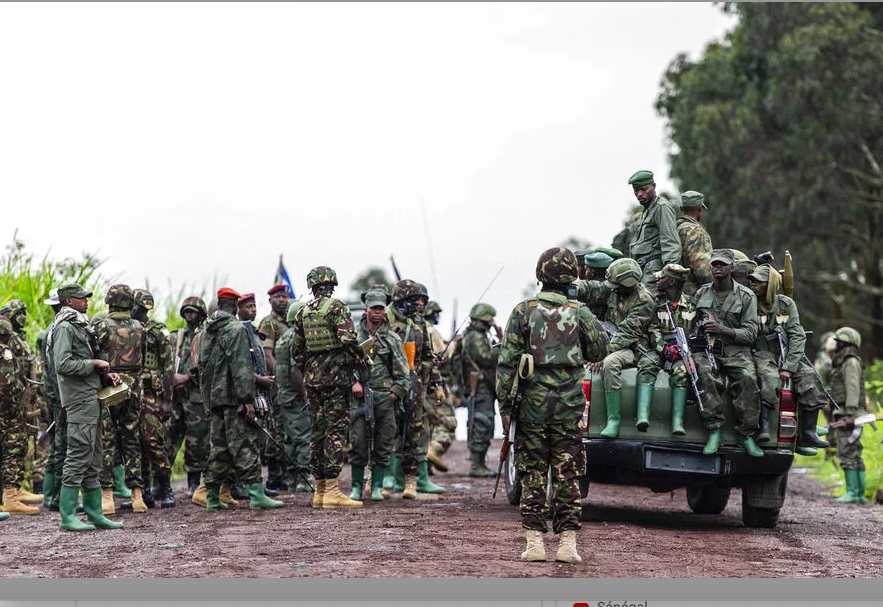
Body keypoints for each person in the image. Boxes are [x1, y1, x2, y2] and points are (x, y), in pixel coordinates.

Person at [497, 247, 607, 563]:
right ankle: (568, 544)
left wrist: (505, 408)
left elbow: (506, 364)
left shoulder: (523, 312)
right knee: (567, 473)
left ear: (540, 275)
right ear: (572, 276)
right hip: (569, 407)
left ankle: (534, 543)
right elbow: (599, 351)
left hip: (530, 407)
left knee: (532, 472)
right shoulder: (581, 313)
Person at [48, 283, 124, 531]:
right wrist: (93, 364)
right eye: (81, 298)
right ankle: (68, 516)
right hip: (78, 400)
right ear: (69, 301)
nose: (87, 301)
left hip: (91, 397)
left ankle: (94, 513)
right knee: (78, 454)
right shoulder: (64, 327)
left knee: (93, 457)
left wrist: (105, 375)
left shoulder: (80, 325)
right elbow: (62, 364)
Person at [199, 287, 283, 511]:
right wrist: (247, 400)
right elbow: (241, 367)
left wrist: (207, 401)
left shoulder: (208, 330)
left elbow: (202, 368)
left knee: (219, 448)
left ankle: (212, 499)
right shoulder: (236, 329)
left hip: (215, 398)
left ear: (218, 304)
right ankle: (257, 495)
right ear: (235, 305)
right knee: (245, 444)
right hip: (233, 397)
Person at [290, 267, 367, 509]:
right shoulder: (337, 307)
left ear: (312, 286)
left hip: (312, 379)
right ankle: (333, 491)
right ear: (332, 285)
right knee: (335, 431)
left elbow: (296, 351)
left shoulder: (302, 312)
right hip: (335, 378)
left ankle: (320, 491)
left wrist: (313, 364)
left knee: (318, 432)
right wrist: (361, 358)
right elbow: (348, 339)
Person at [747, 265, 829, 455]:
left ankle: (808, 432)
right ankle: (765, 428)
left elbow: (797, 335)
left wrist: (789, 366)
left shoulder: (785, 304)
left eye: (759, 281)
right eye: (752, 281)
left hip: (783, 353)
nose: (753, 284)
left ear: (771, 285)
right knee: (769, 378)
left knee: (810, 377)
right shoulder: (748, 303)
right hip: (761, 353)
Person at [692, 249, 763, 457]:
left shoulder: (746, 296)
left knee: (747, 377)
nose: (718, 268)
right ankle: (715, 430)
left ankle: (747, 434)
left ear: (731, 268)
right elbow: (692, 323)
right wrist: (699, 330)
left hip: (735, 350)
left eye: (722, 264)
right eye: (714, 264)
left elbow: (750, 333)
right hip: (707, 348)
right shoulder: (702, 293)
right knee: (703, 372)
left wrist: (722, 329)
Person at [577, 257, 656, 436]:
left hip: (634, 347)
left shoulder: (644, 301)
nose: (612, 288)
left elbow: (628, 332)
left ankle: (613, 420)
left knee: (610, 363)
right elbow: (595, 289)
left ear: (627, 285)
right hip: (611, 339)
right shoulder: (616, 289)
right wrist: (573, 287)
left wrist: (602, 353)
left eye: (616, 286)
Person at [383, 279, 445, 498]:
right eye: (415, 300)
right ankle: (383, 478)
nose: (420, 304)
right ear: (401, 300)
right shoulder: (384, 319)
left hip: (414, 384)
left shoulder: (418, 322)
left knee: (413, 430)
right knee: (387, 430)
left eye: (421, 300)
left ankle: (411, 480)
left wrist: (437, 384)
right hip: (388, 384)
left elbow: (428, 355)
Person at [92, 284, 148, 514]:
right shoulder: (140, 327)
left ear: (110, 301)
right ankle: (137, 496)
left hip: (109, 386)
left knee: (106, 439)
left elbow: (95, 355)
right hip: (133, 387)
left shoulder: (101, 326)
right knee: (132, 438)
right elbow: (143, 358)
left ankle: (107, 497)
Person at [352, 286, 409, 501]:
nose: (377, 312)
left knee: (384, 444)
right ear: (365, 309)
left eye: (381, 309)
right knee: (358, 443)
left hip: (385, 398)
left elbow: (403, 374)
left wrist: (393, 395)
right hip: (359, 399)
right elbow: (342, 366)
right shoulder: (353, 337)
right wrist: (353, 384)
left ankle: (377, 486)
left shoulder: (392, 339)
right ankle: (356, 487)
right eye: (373, 308)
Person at [131, 289, 175, 508]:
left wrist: (167, 399)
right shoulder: (126, 329)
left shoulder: (157, 330)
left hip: (151, 394)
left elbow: (168, 366)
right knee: (134, 443)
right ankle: (143, 491)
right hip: (131, 392)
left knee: (152, 440)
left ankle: (165, 487)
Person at [0, 300, 45, 508]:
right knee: (13, 445)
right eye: (19, 313)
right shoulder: (6, 346)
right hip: (10, 401)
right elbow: (7, 378)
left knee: (20, 444)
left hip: (20, 397)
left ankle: (16, 489)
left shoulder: (20, 339)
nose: (23, 317)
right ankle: (10, 495)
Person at [166, 296, 210, 499]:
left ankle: (194, 483)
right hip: (176, 398)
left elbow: (208, 366)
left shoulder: (206, 337)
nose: (190, 315)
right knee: (168, 439)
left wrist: (187, 378)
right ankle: (162, 483)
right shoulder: (177, 337)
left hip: (196, 397)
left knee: (197, 442)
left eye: (194, 311)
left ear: (202, 314)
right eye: (187, 312)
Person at [645, 263, 696, 435]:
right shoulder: (654, 302)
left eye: (662, 277)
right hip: (657, 351)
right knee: (647, 365)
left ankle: (677, 422)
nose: (657, 279)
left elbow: (696, 332)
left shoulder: (692, 305)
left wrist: (684, 351)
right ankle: (643, 417)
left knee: (683, 371)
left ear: (672, 282)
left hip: (682, 354)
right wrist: (664, 349)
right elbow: (652, 329)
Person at [238, 292, 278, 496]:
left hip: (260, 394)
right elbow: (239, 366)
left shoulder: (254, 334)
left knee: (260, 441)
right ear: (238, 310)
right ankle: (242, 485)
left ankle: (254, 484)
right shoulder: (239, 333)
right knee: (247, 442)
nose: (253, 310)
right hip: (247, 394)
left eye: (254, 306)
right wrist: (260, 379)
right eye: (248, 306)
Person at [274, 300, 312, 493]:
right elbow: (295, 370)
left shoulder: (283, 337)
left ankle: (292, 478)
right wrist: (304, 395)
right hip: (295, 395)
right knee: (304, 436)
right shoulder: (296, 339)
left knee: (290, 438)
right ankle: (304, 479)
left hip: (284, 394)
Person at [460, 303, 501, 477]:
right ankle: (477, 465)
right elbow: (485, 358)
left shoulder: (479, 336)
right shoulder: (475, 337)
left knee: (485, 423)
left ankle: (480, 463)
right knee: (481, 423)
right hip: (479, 388)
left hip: (484, 388)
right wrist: (502, 346)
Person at [829, 327, 868, 504]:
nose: (835, 345)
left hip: (849, 413)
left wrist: (850, 413)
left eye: (838, 342)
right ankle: (859, 494)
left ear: (846, 344)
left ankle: (853, 493)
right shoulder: (847, 362)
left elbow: (852, 387)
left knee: (847, 452)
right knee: (854, 452)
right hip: (849, 412)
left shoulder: (850, 362)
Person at [258, 284, 291, 492]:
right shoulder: (268, 323)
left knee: (287, 428)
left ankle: (286, 473)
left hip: (291, 384)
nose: (281, 300)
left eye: (284, 297)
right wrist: (279, 378)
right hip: (276, 384)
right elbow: (267, 354)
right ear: (270, 300)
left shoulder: (291, 322)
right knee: (275, 428)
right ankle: (274, 475)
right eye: (277, 297)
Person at [626, 170, 680, 287]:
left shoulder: (661, 207)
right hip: (642, 270)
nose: (639, 194)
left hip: (653, 272)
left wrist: (670, 273)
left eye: (644, 189)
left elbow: (670, 241)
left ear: (653, 186)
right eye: (636, 190)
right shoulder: (646, 211)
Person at [40, 289, 68, 510]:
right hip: (60, 397)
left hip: (55, 396)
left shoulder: (52, 330)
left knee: (59, 444)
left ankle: (52, 496)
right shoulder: (57, 331)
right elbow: (56, 372)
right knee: (62, 445)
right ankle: (58, 496)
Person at [423, 300, 457, 473]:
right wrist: (454, 344)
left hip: (422, 383)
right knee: (447, 422)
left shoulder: (416, 328)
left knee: (427, 425)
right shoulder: (430, 330)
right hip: (434, 383)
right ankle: (434, 450)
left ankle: (424, 467)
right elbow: (442, 354)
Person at [676, 191, 713, 296]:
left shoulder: (676, 229)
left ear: (682, 209)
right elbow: (703, 270)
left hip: (677, 293)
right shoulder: (696, 231)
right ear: (700, 210)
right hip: (694, 295)